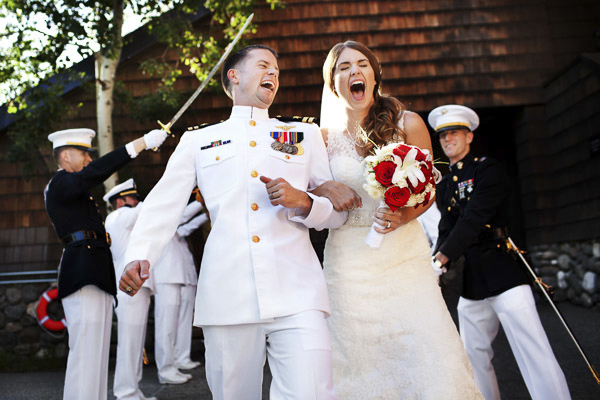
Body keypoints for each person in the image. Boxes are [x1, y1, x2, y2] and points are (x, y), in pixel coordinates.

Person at [118, 45, 346, 400]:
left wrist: (305, 202)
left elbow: (338, 212)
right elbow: (164, 204)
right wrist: (140, 254)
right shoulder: (199, 140)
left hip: (298, 289)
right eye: (264, 65)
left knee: (312, 392)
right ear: (234, 75)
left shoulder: (304, 135)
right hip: (228, 294)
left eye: (277, 70)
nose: (274, 74)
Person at [314, 41, 483, 399]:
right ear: (333, 83)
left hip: (403, 254)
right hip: (347, 260)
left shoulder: (408, 123)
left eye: (362, 64)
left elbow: (427, 190)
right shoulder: (321, 139)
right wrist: (328, 187)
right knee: (356, 352)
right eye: (343, 67)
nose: (354, 71)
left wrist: (403, 214)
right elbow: (312, 191)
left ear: (374, 74)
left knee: (425, 343)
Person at [429, 104, 571, 400]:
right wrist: (435, 259)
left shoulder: (487, 169)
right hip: (473, 280)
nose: (447, 139)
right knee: (473, 355)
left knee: (533, 350)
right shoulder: (446, 184)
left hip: (504, 271)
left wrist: (444, 256)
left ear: (469, 137)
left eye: (454, 133)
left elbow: (474, 218)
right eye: (443, 136)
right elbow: (447, 225)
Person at [44, 127, 168, 400]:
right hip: (81, 270)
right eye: (84, 154)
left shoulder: (76, 188)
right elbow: (95, 172)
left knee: (98, 351)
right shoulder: (61, 183)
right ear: (65, 157)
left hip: (96, 270)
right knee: (86, 349)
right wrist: (140, 144)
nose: (89, 159)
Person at [104, 178, 157, 400]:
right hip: (128, 286)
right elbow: (148, 208)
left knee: (135, 341)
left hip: (133, 286)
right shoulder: (119, 215)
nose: (136, 201)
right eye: (132, 198)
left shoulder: (122, 217)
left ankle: (132, 391)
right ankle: (126, 393)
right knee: (130, 342)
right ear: (120, 201)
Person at [153, 198, 207, 384]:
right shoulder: (158, 220)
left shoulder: (173, 231)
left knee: (177, 324)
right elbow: (180, 217)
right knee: (165, 327)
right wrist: (200, 202)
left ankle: (179, 359)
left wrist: (204, 216)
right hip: (165, 279)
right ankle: (166, 369)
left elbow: (185, 228)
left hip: (177, 278)